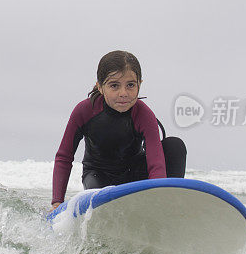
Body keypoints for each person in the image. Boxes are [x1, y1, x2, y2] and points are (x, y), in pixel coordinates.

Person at [50, 51, 186, 210]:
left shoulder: (143, 114)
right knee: (100, 194)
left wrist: (158, 196)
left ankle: (165, 205)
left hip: (133, 175)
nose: (123, 93)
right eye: (114, 85)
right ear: (99, 87)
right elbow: (64, 156)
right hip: (98, 176)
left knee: (174, 146)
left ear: (139, 84)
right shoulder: (84, 111)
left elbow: (156, 162)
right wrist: (57, 202)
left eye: (131, 85)